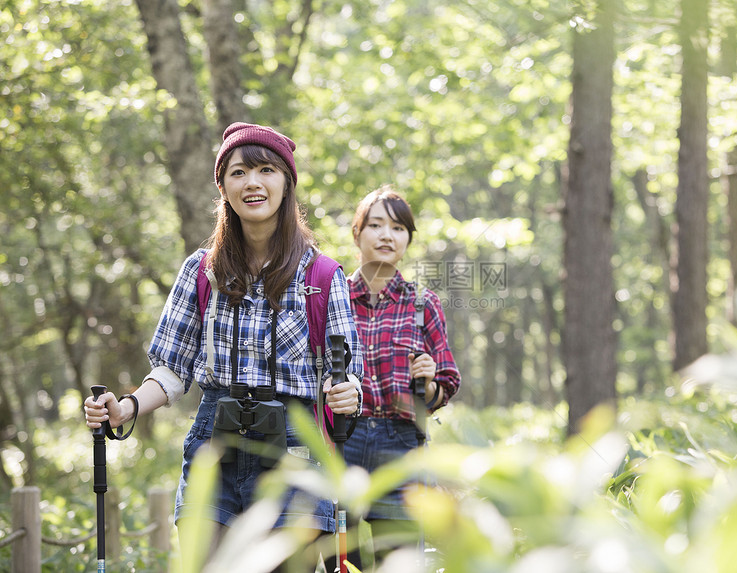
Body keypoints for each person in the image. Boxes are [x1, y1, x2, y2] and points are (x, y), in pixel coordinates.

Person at [83, 122, 363, 571]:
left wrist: (349, 393)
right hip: (215, 441)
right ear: (223, 187)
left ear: (286, 182)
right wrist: (127, 408)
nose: (252, 182)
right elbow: (172, 370)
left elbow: (347, 376)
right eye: (238, 172)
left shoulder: (323, 277)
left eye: (266, 170)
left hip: (294, 449)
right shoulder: (201, 270)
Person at [332, 185, 460, 570]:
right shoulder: (332, 295)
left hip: (401, 446)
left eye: (398, 228)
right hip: (342, 443)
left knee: (400, 560)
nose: (387, 235)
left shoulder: (423, 303)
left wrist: (430, 380)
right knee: (341, 559)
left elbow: (447, 383)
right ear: (357, 233)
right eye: (375, 225)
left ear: (407, 238)